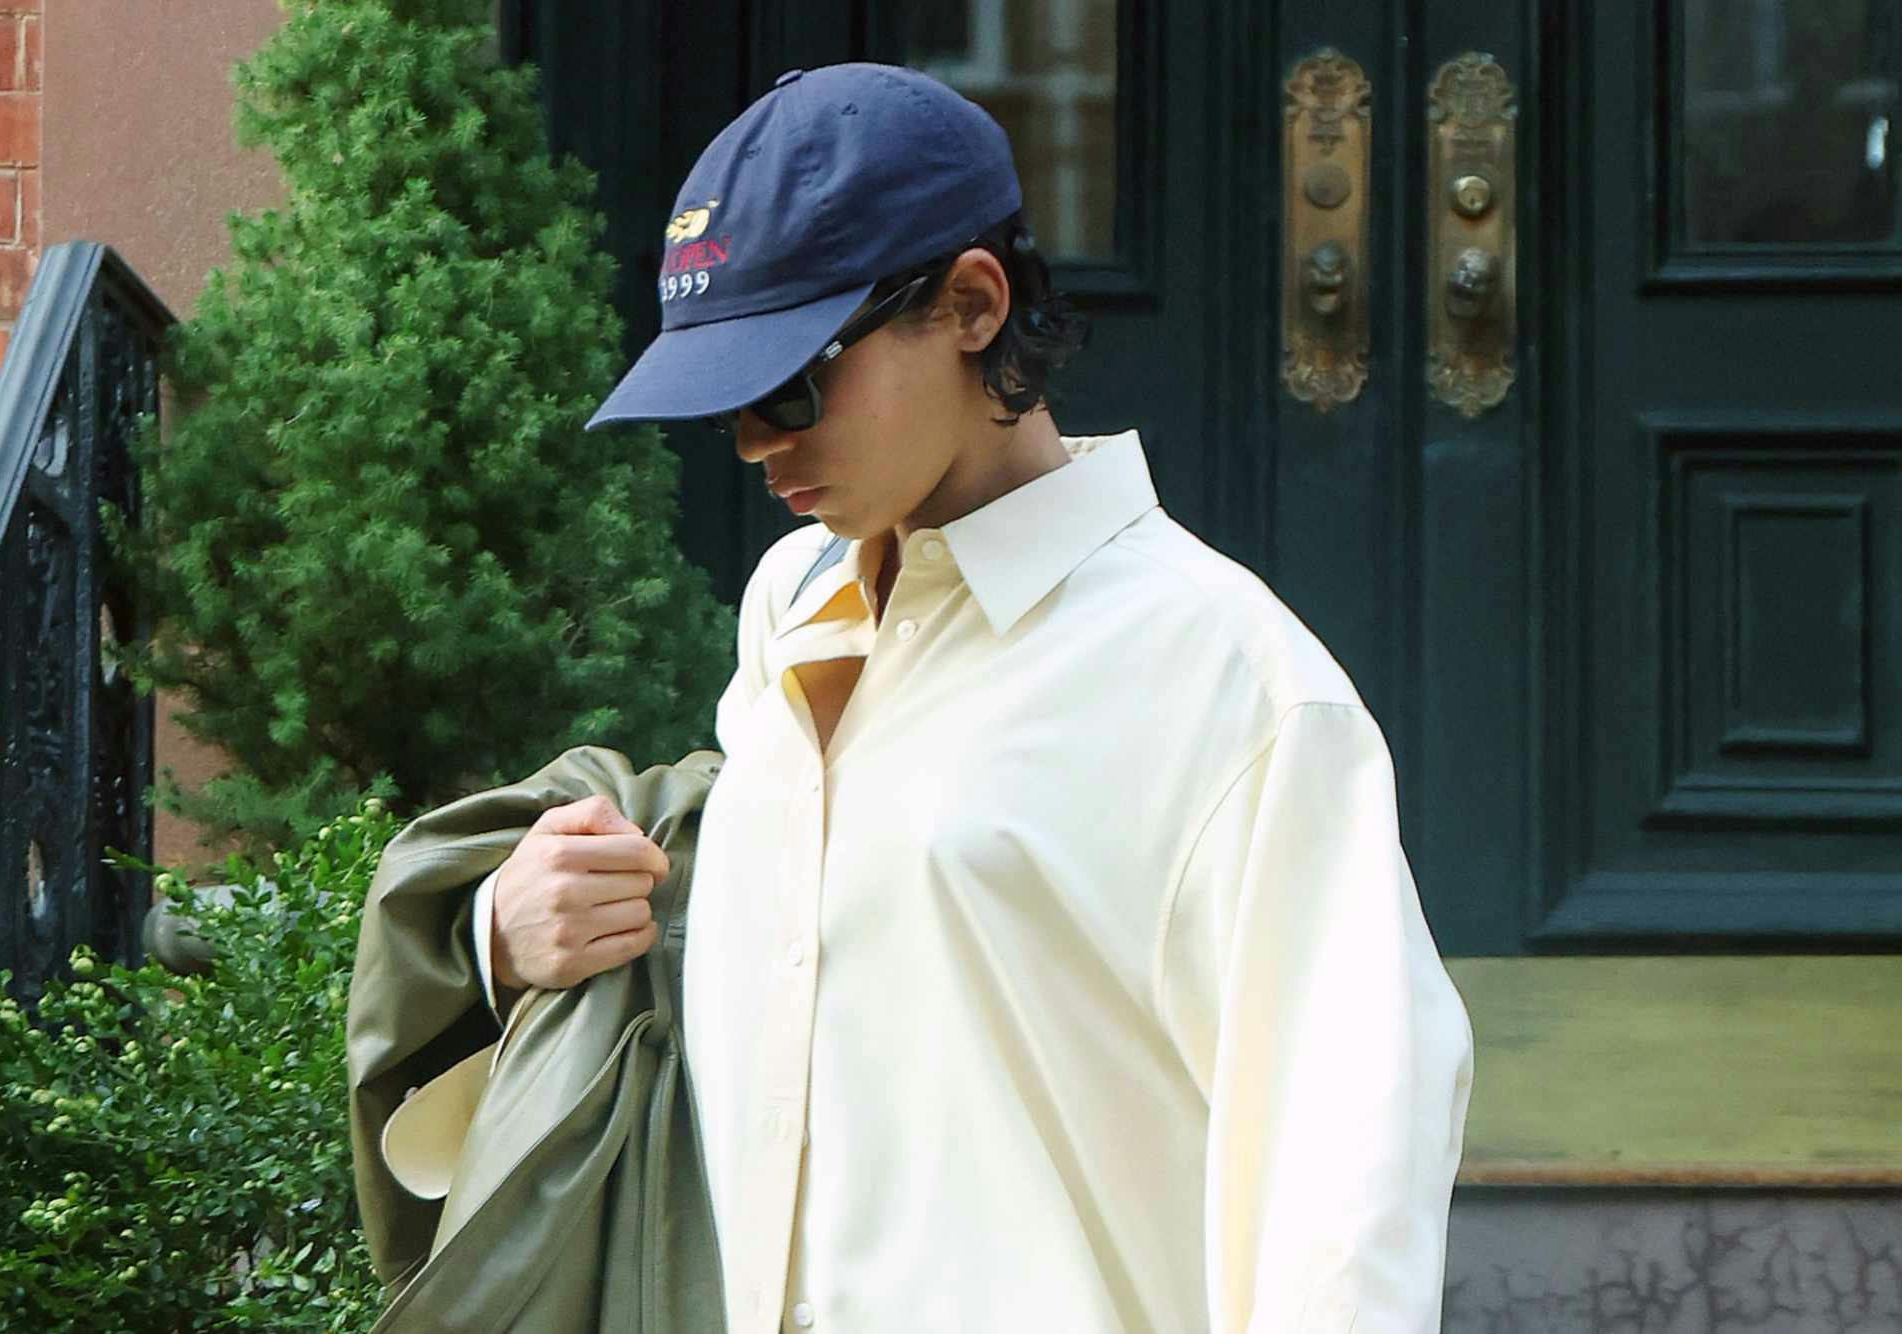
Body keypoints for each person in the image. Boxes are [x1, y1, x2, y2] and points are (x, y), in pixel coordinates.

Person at [472, 61, 1475, 1333]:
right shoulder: (791, 608)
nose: (755, 445)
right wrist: (505, 935)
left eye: (789, 385)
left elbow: (1345, 1193)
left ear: (969, 302)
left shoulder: (1231, 683)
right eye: (723, 405)